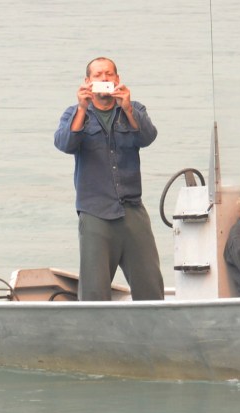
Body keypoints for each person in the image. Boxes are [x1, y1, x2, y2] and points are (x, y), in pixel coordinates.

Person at [54, 57, 165, 301]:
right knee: (95, 292)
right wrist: (82, 109)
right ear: (87, 81)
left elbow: (148, 137)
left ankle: (153, 335)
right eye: (98, 75)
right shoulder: (73, 113)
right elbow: (64, 144)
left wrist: (127, 108)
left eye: (109, 74)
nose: (104, 79)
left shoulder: (134, 108)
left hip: (132, 211)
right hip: (95, 213)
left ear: (117, 79)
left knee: (150, 286)